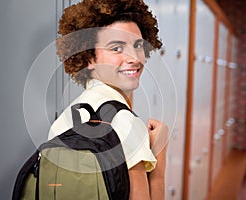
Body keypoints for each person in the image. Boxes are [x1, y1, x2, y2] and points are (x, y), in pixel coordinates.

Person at [48, 0, 168, 199]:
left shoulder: (65, 118)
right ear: (89, 58)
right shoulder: (125, 122)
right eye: (116, 48)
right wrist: (159, 156)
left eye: (138, 45)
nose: (135, 58)